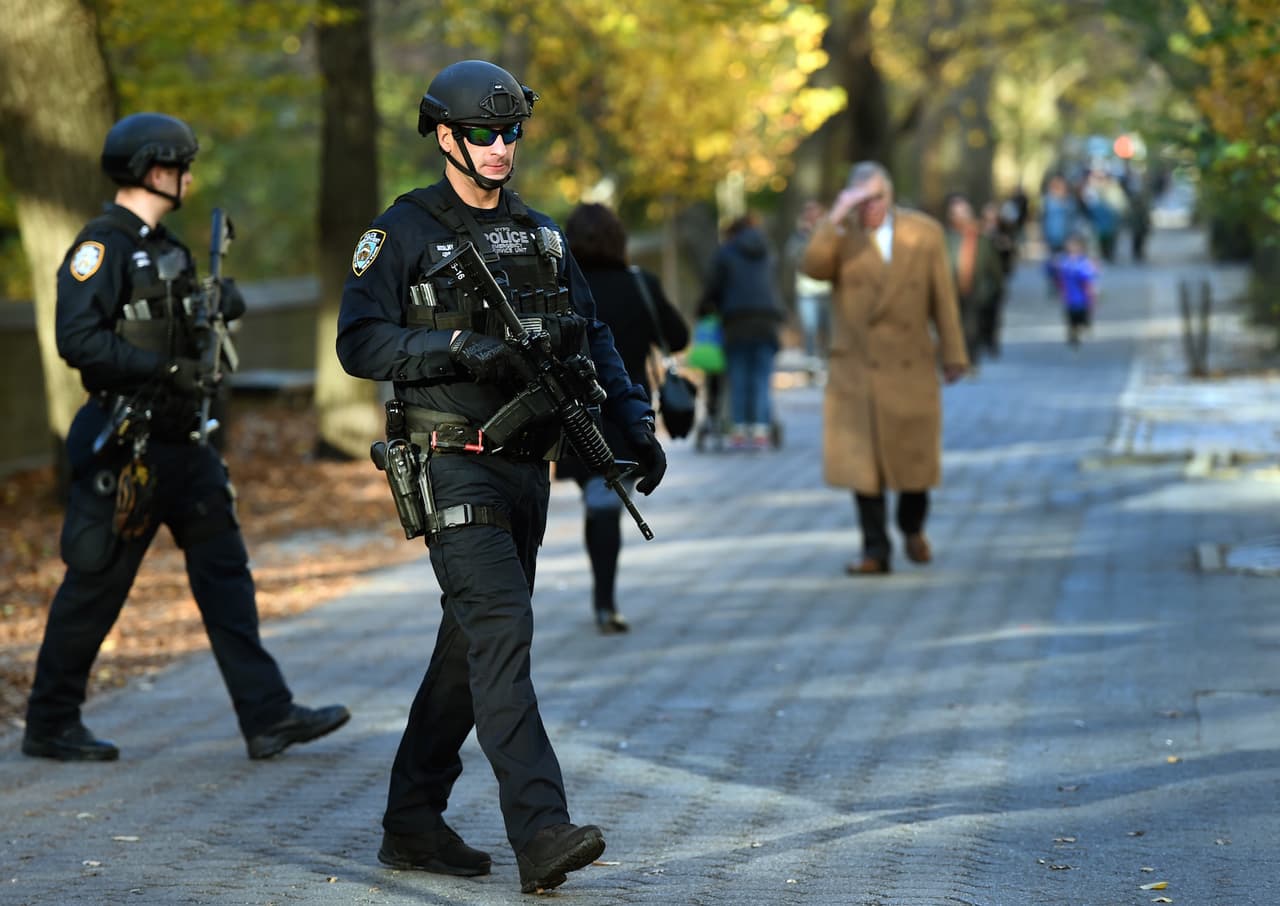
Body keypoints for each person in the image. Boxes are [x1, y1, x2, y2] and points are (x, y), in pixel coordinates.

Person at [336, 60, 666, 894]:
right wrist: (450, 348)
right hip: (451, 464)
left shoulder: (544, 235)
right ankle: (541, 829)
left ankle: (411, 822)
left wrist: (635, 425)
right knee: (502, 634)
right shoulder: (401, 231)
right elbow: (359, 339)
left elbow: (594, 340)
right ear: (444, 135)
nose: (498, 146)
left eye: (510, 130)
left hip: (528, 472)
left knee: (471, 646)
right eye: (482, 132)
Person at [22, 113, 350, 763]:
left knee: (227, 577)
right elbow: (78, 340)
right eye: (182, 165)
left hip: (185, 443)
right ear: (153, 169)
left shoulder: (168, 246)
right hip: (128, 444)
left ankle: (267, 715)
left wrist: (214, 302)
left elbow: (175, 326)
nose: (191, 177)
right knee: (95, 585)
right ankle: (50, 721)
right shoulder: (102, 247)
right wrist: (164, 367)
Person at [801, 161, 968, 575]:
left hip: (910, 364)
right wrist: (836, 216)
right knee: (863, 466)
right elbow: (812, 268)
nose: (871, 207)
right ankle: (875, 550)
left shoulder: (924, 233)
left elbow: (943, 298)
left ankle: (912, 527)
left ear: (890, 197)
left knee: (915, 461)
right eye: (862, 200)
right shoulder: (841, 236)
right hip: (857, 367)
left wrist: (954, 354)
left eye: (878, 198)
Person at [562, 202, 688, 634]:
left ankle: (603, 600)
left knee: (598, 500)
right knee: (605, 502)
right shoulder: (639, 285)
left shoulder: (563, 288)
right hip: (626, 412)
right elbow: (678, 336)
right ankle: (604, 603)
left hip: (572, 415)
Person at [699, 212, 785, 450]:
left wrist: (704, 309)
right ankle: (760, 429)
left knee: (738, 375)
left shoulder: (725, 252)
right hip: (768, 319)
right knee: (761, 376)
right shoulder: (769, 250)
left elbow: (713, 287)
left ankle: (738, 429)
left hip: (736, 320)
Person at [944, 192, 1005, 366]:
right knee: (954, 326)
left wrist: (992, 290)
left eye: (963, 212)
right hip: (951, 290)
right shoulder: (944, 238)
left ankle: (971, 360)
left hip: (975, 291)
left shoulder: (980, 239)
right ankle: (954, 358)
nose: (959, 217)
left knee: (972, 328)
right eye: (956, 213)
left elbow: (994, 269)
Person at [785, 200, 833, 372]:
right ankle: (811, 363)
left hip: (828, 289)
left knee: (829, 329)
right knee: (810, 328)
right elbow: (793, 257)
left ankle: (828, 362)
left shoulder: (829, 234)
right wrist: (806, 238)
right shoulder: (799, 236)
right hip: (807, 290)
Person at [1047, 233, 1099, 347]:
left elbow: (1089, 277)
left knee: (1081, 317)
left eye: (1075, 245)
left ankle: (1083, 326)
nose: (1072, 248)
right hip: (1069, 297)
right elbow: (1052, 271)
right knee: (1071, 319)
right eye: (1070, 245)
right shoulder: (1063, 261)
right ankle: (1073, 336)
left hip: (1082, 298)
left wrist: (1092, 293)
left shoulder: (1084, 262)